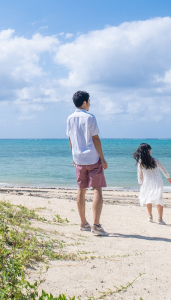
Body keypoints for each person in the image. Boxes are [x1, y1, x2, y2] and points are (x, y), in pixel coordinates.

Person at [66, 90, 109, 236]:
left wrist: (74, 155)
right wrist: (102, 158)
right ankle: (96, 225)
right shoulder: (90, 117)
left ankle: (83, 223)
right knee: (97, 189)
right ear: (84, 102)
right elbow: (95, 138)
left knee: (81, 190)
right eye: (89, 101)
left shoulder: (70, 118)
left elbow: (70, 138)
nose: (90, 103)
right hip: (92, 158)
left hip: (78, 159)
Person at [133, 143, 171, 224]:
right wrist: (167, 176)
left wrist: (141, 183)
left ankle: (150, 216)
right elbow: (162, 168)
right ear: (148, 151)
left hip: (147, 182)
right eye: (150, 149)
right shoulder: (155, 160)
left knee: (148, 198)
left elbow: (140, 174)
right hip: (157, 181)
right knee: (159, 198)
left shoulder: (141, 162)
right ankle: (160, 218)